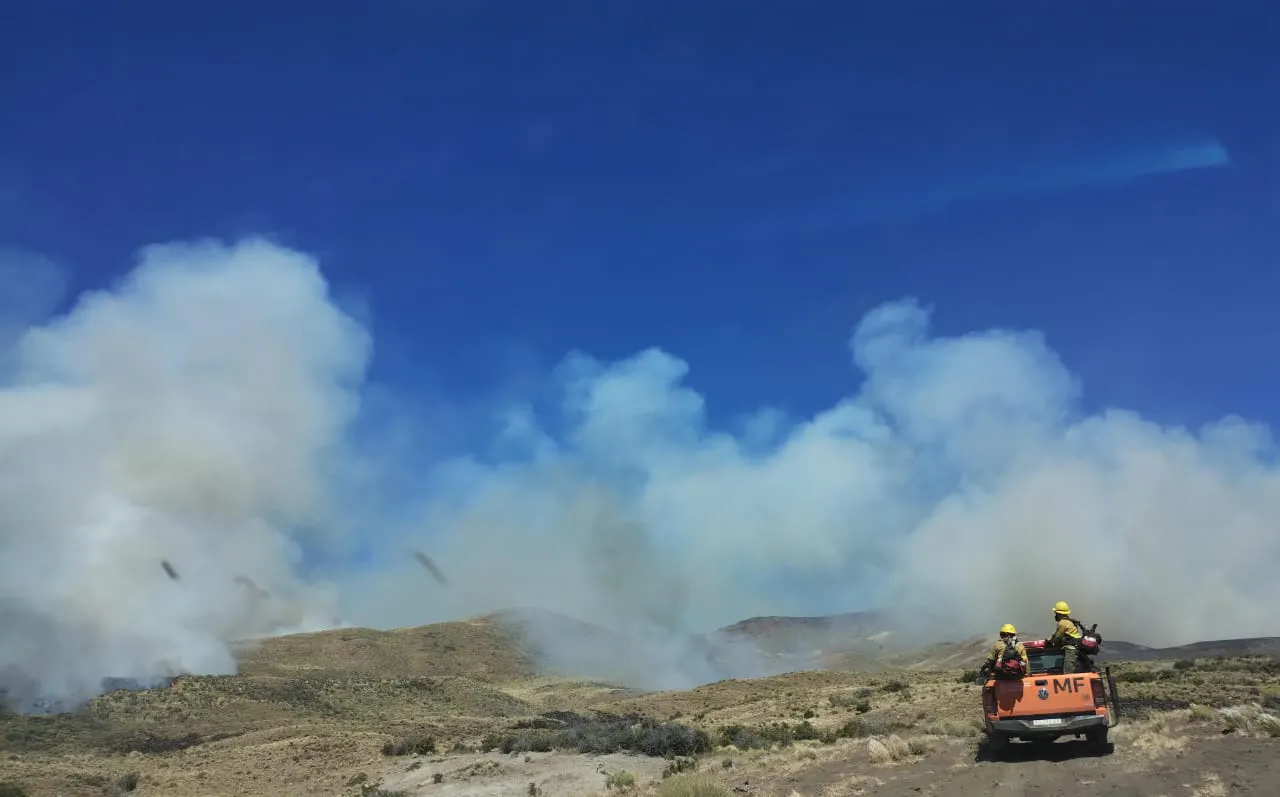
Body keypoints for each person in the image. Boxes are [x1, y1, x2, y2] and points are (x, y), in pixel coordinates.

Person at [1047, 600, 1085, 673]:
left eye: (1056, 613)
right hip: (1076, 647)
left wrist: (1048, 642)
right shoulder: (1069, 621)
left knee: (1068, 673)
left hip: (1071, 649)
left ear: (1059, 614)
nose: (1055, 615)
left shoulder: (1063, 623)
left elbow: (1057, 637)